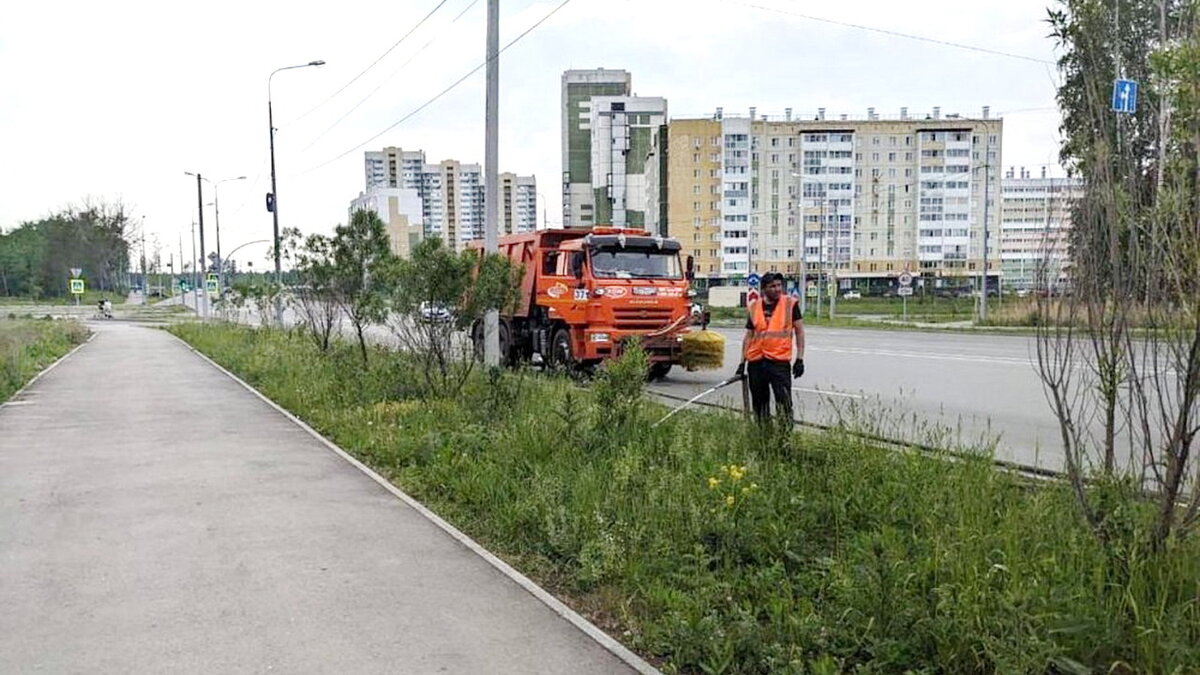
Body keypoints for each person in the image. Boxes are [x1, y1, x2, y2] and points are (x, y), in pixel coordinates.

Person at [735, 273, 805, 421]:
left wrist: (799, 359)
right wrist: (742, 362)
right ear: (764, 289)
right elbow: (749, 336)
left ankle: (784, 439)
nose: (777, 289)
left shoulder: (790, 304)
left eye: (779, 285)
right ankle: (763, 437)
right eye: (773, 286)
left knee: (784, 403)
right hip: (756, 361)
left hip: (779, 362)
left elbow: (799, 332)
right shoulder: (754, 307)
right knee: (760, 406)